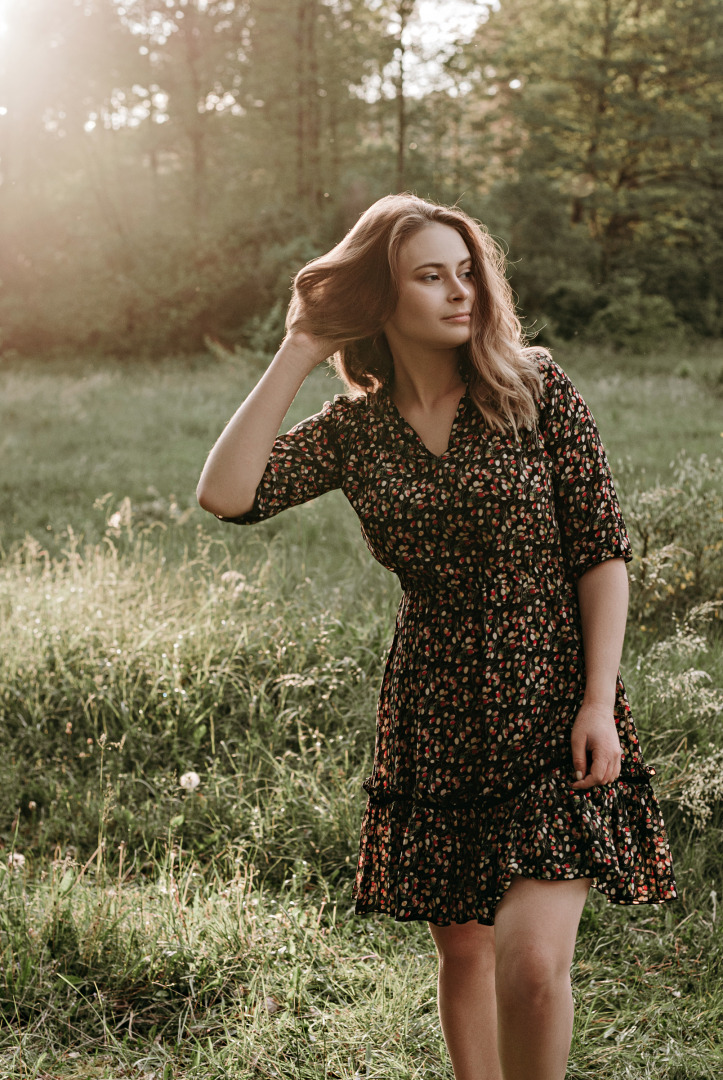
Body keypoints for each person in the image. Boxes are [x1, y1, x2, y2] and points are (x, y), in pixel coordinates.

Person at [197, 194, 677, 1080]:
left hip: (551, 695)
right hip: (435, 704)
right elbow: (226, 494)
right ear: (381, 297)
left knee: (531, 965)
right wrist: (300, 348)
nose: (460, 293)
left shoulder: (531, 386)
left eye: (466, 272)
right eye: (430, 276)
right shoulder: (355, 431)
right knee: (463, 953)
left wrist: (599, 700)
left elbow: (601, 551)